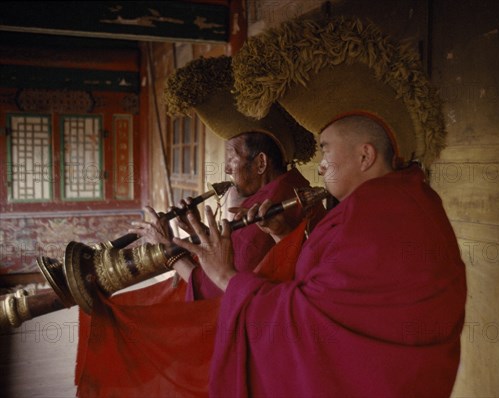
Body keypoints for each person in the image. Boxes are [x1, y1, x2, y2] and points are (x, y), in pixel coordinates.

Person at [174, 17, 467, 397]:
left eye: (326, 148)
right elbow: (329, 294)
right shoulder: (398, 201)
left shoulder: (379, 219)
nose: (322, 163)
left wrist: (226, 275)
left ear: (365, 155)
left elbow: (311, 329)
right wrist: (282, 236)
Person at [129, 56, 323, 300]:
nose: (228, 169)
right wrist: (198, 233)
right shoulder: (292, 185)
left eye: (232, 158)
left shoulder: (268, 209)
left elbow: (217, 291)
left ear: (261, 163)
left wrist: (167, 250)